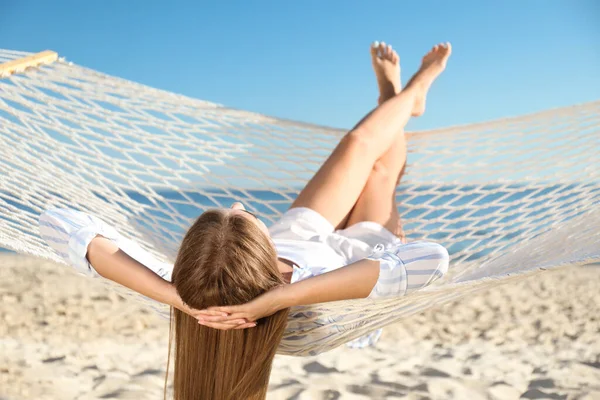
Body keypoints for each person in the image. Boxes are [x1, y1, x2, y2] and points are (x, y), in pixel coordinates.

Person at [40, 41, 452, 400]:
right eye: (245, 215)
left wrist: (176, 296)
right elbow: (432, 259)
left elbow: (57, 224)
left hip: (300, 233)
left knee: (359, 145)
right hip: (357, 258)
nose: (239, 204)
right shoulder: (317, 316)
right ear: (259, 250)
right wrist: (282, 297)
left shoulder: (201, 289)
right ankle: (406, 95)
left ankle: (395, 99)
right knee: (379, 174)